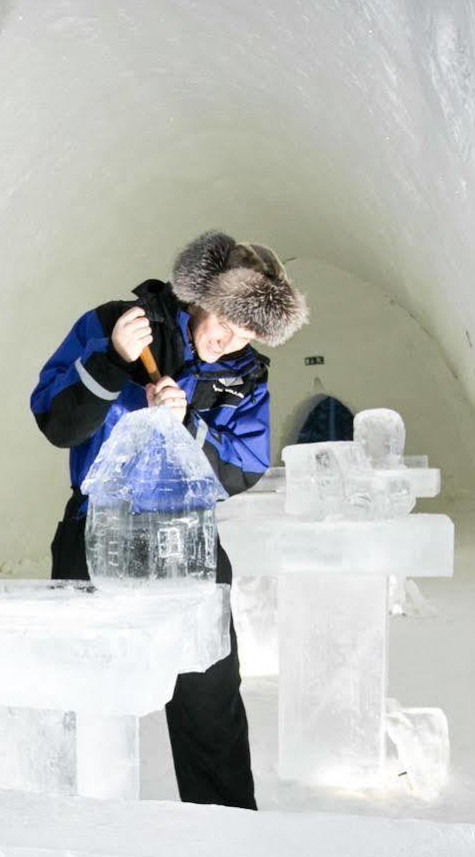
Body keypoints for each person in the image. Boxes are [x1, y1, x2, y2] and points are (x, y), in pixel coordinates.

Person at [29, 231, 307, 809]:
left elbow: (242, 470)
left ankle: (228, 841)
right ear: (201, 297)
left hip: (189, 542)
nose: (231, 341)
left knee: (211, 703)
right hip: (96, 533)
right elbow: (58, 424)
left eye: (250, 333)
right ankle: (75, 844)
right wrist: (112, 360)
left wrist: (187, 427)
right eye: (226, 321)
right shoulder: (117, 323)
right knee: (84, 700)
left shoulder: (246, 374)